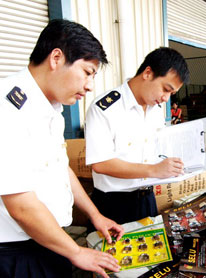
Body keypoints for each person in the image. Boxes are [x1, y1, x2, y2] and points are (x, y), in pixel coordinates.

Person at [0, 19, 124, 278]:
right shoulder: (8, 108)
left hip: (50, 241)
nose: (90, 86)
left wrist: (94, 215)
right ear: (56, 58)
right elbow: (20, 206)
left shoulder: (51, 108)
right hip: (16, 254)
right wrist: (76, 252)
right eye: (87, 72)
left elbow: (60, 167)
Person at [85, 47, 189, 226]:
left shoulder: (155, 110)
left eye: (171, 94)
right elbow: (101, 163)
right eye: (165, 89)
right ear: (148, 73)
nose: (166, 98)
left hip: (147, 199)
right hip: (113, 205)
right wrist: (155, 170)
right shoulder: (105, 109)